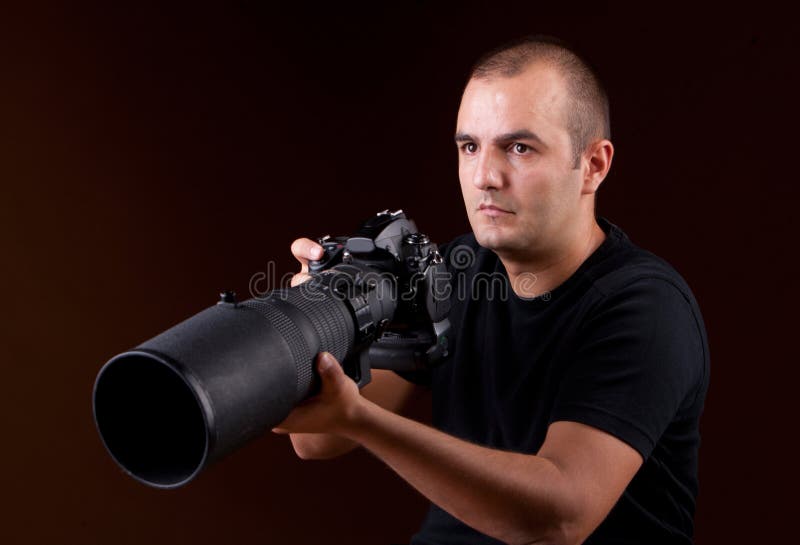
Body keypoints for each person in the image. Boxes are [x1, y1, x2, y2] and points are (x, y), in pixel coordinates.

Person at [272, 35, 709, 545]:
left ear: (593, 165)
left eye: (519, 148)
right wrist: (313, 324)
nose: (484, 176)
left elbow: (559, 518)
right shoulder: (455, 271)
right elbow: (316, 437)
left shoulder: (645, 307)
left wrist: (361, 419)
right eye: (469, 147)